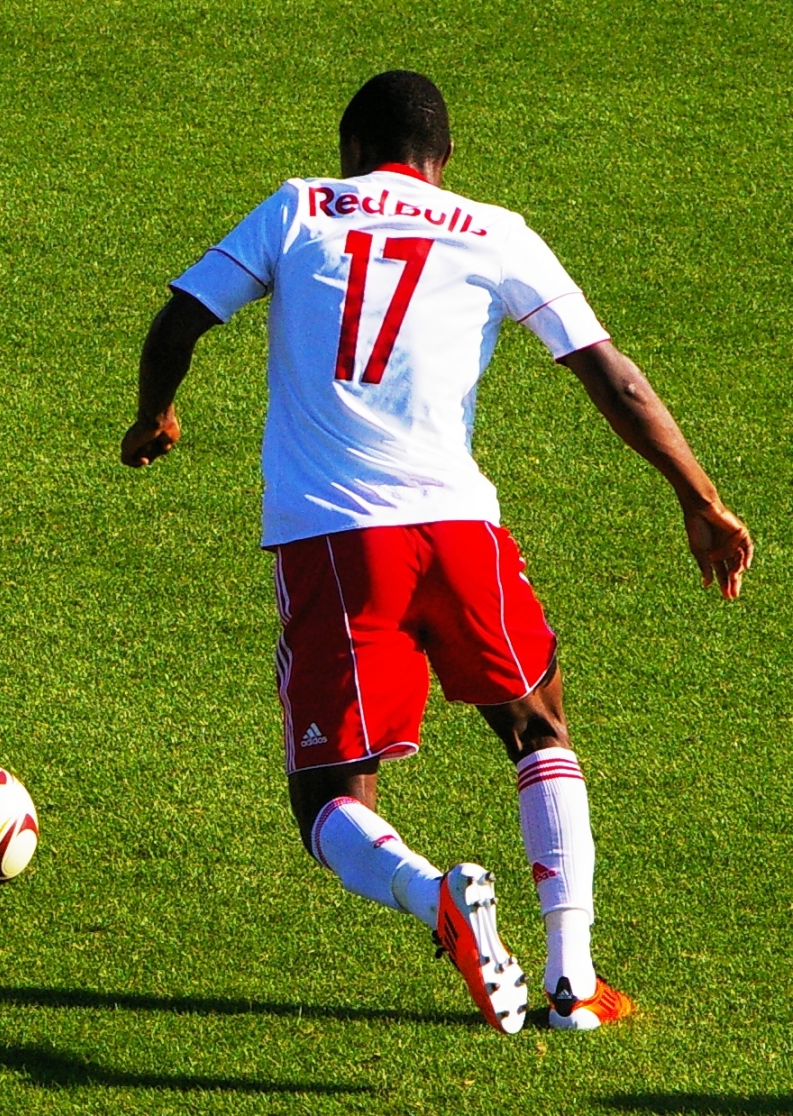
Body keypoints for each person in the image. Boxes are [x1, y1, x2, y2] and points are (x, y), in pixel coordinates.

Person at [120, 71, 751, 1033]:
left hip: (336, 541)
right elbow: (612, 377)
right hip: (461, 531)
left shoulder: (298, 209)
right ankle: (573, 980)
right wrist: (698, 498)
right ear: (443, 160)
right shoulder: (492, 227)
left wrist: (154, 414)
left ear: (349, 151)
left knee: (331, 798)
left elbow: (180, 321)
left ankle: (432, 896)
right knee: (538, 725)